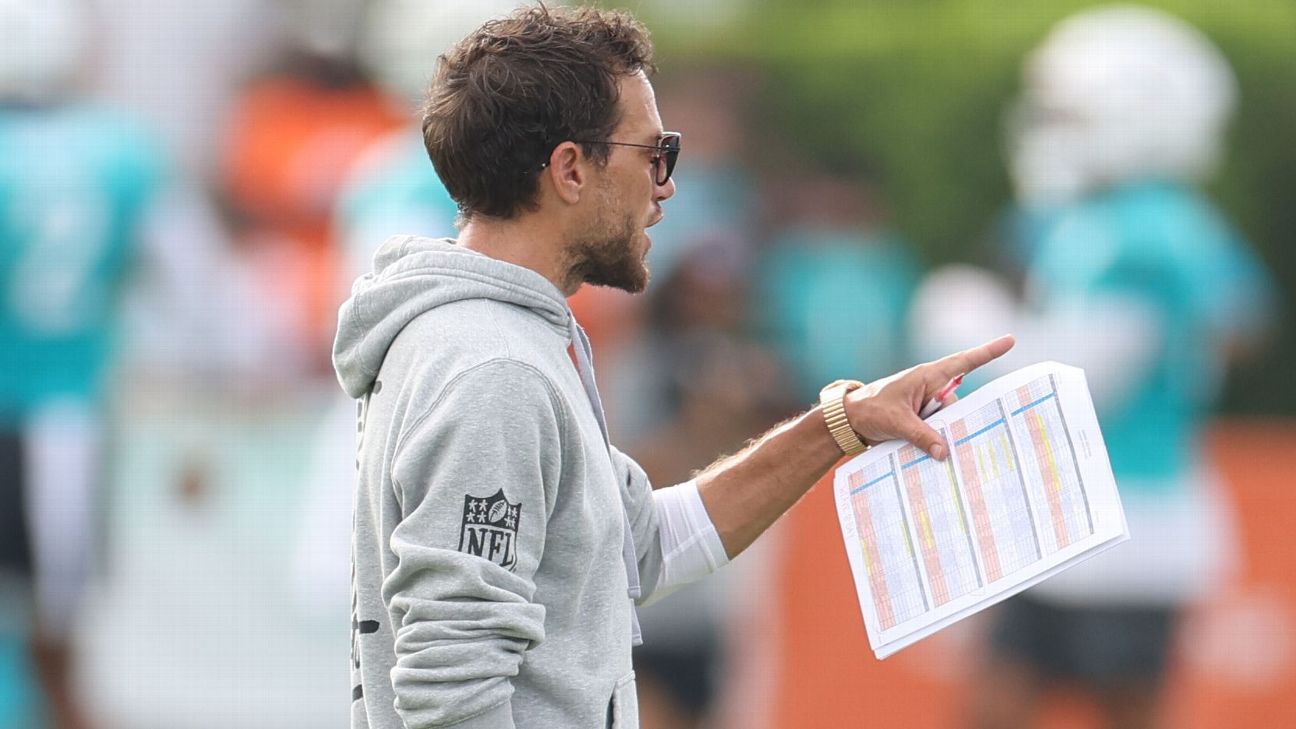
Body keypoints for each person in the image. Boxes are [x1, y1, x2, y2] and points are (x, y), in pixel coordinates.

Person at [334, 6, 1013, 728]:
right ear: (570, 169)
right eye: (655, 153)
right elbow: (453, 689)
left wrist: (840, 423)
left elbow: (644, 545)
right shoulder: (495, 369)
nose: (667, 186)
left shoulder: (498, 339)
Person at [909, 6, 1277, 728]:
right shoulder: (1097, 216)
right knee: (995, 702)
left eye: (1070, 114)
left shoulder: (1153, 228)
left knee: (1114, 708)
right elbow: (1240, 322)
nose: (1050, 132)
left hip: (1126, 513)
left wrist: (968, 327)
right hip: (1057, 508)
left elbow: (1083, 378)